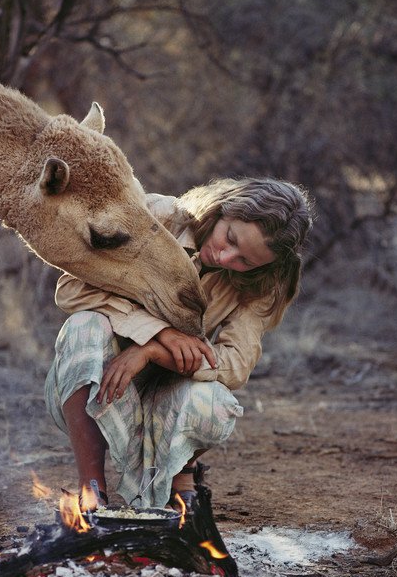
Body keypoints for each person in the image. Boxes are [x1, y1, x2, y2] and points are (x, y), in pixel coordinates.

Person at [44, 177, 313, 511]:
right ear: (220, 208)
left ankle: (179, 474)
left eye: (245, 261)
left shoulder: (263, 282)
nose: (227, 258)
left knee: (216, 403)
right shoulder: (157, 216)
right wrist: (158, 332)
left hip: (167, 391)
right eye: (230, 238)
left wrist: (152, 351)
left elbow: (236, 364)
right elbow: (71, 288)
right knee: (84, 326)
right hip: (96, 382)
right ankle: (91, 489)